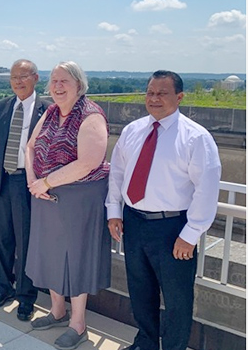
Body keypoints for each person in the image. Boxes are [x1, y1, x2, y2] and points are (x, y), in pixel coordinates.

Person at [106, 70, 221, 350]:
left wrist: (190, 234)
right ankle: (145, 342)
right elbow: (117, 173)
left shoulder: (196, 138)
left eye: (162, 93)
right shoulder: (133, 130)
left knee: (177, 298)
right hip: (134, 221)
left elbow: (206, 189)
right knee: (140, 290)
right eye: (150, 92)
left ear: (179, 97)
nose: (154, 98)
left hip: (172, 228)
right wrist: (114, 211)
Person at [25, 61, 111, 350]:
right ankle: (57, 310)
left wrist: (45, 182)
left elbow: (89, 162)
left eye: (64, 81)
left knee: (77, 256)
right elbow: (30, 147)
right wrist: (33, 181)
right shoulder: (50, 112)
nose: (58, 86)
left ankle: (78, 323)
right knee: (49, 252)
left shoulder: (91, 115)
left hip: (80, 197)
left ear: (78, 85)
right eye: (54, 81)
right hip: (45, 195)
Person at [0, 59, 50, 321]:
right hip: (4, 181)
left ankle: (25, 296)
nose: (18, 81)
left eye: (23, 76)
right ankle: (3, 289)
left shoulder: (47, 109)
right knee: (1, 237)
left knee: (26, 241)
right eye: (13, 77)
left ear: (35, 78)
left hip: (28, 183)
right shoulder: (2, 107)